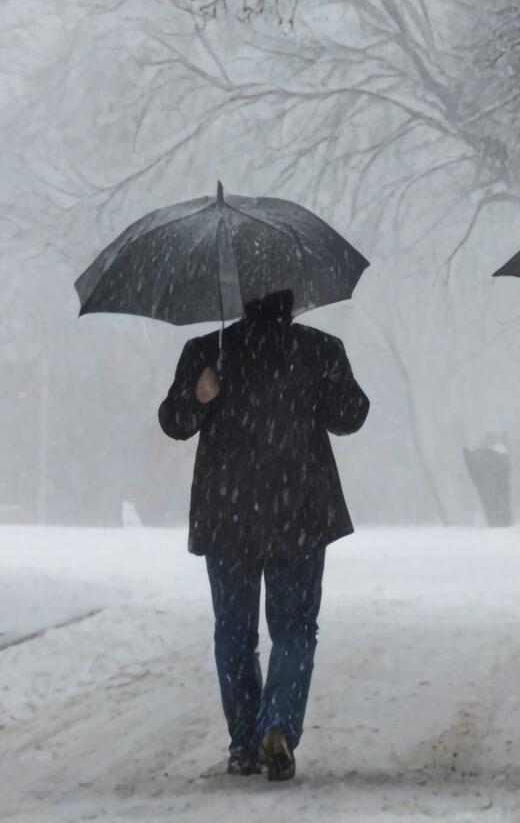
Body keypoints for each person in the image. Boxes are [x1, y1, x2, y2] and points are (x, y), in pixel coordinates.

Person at [157, 288, 371, 783]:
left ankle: (243, 745)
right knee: (295, 628)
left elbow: (174, 422)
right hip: (300, 511)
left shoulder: (208, 352)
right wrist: (320, 388)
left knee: (234, 633)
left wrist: (199, 395)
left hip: (228, 513)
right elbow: (352, 416)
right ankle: (277, 726)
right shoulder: (320, 349)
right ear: (292, 298)